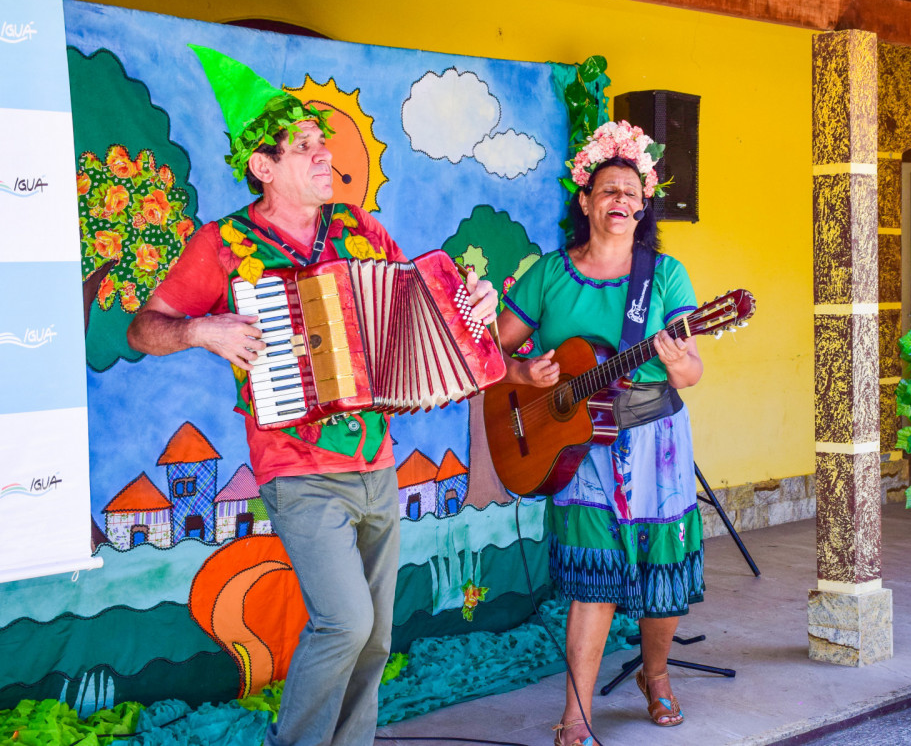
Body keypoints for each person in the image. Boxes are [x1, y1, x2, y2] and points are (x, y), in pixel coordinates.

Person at [127, 46, 497, 746]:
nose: (323, 153)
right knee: (345, 622)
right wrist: (202, 329)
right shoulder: (224, 245)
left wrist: (473, 303)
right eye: (302, 146)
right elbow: (145, 327)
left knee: (376, 634)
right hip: (296, 468)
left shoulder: (361, 230)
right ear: (263, 167)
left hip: (376, 463)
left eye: (321, 141)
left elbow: (420, 308)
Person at [496, 121, 705, 746]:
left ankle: (656, 676)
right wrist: (523, 373)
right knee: (593, 579)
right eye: (608, 190)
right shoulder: (549, 274)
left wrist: (676, 359)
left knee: (661, 569)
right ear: (585, 201)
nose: (620, 200)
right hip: (576, 446)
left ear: (642, 209)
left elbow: (692, 372)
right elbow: (488, 354)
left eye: (631, 194)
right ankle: (575, 716)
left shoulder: (664, 275)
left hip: (655, 434)